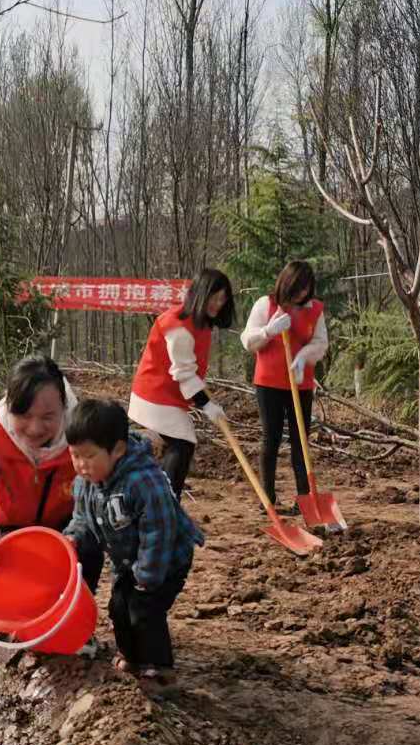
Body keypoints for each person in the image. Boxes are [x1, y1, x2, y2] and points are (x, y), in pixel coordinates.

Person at [65, 399, 204, 683]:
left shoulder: (143, 481)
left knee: (144, 610)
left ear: (117, 449)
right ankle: (131, 656)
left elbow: (159, 531)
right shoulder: (85, 482)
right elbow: (83, 519)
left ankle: (159, 668)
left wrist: (147, 577)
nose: (81, 465)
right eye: (74, 455)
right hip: (128, 559)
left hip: (165, 560)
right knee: (118, 606)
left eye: (88, 456)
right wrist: (72, 537)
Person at [0, 355, 94, 590]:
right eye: (24, 416)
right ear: (9, 405)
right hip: (7, 531)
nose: (35, 428)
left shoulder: (82, 430)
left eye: (48, 417)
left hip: (65, 532)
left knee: (88, 551)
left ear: (63, 407)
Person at [128, 268, 235, 497]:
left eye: (222, 299)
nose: (218, 304)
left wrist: (206, 402)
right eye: (214, 298)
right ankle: (167, 501)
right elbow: (184, 373)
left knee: (181, 443)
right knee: (183, 442)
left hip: (168, 396)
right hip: (154, 394)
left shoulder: (201, 322)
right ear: (200, 294)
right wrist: (207, 405)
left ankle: (163, 497)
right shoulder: (178, 325)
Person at [240, 261, 330, 516]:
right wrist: (268, 331)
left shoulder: (315, 309)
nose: (303, 295)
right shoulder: (265, 305)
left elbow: (321, 342)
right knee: (271, 438)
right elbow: (248, 340)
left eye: (307, 289)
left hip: (300, 383)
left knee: (301, 441)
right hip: (268, 383)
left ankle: (304, 498)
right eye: (299, 288)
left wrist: (304, 356)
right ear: (287, 284)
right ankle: (267, 498)